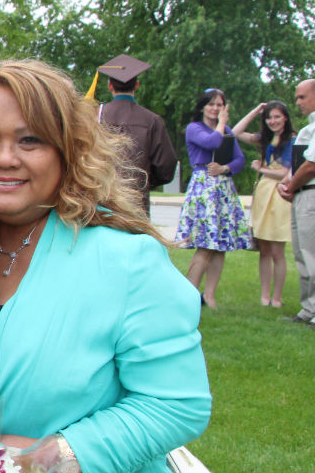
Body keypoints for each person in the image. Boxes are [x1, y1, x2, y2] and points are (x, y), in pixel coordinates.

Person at [0, 59, 211, 473]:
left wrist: (52, 455)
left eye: (31, 140)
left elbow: (176, 405)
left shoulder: (125, 261)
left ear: (68, 149)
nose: (5, 159)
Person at [174, 88, 253, 308]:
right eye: (211, 104)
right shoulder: (194, 128)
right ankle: (189, 295)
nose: (215, 108)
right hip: (204, 188)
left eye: (220, 105)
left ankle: (210, 296)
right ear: (202, 107)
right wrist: (222, 124)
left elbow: (239, 159)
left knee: (220, 246)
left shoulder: (226, 130)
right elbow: (212, 143)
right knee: (205, 245)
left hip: (223, 188)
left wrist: (225, 168)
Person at [91, 54, 177, 213]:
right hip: (137, 204)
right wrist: (142, 181)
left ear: (110, 86)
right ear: (137, 86)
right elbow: (166, 169)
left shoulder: (95, 116)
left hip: (101, 201)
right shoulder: (152, 120)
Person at [232, 100, 296, 307]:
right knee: (264, 250)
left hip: (279, 193)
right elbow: (235, 132)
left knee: (277, 251)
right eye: (269, 117)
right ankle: (265, 295)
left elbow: (283, 172)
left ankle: (277, 298)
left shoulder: (292, 140)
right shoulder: (265, 139)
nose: (273, 121)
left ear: (285, 117)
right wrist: (255, 111)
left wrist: (260, 169)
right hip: (263, 193)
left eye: (277, 116)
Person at [278, 78, 315, 325]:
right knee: (302, 253)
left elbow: (311, 166)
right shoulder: (307, 130)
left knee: (312, 253)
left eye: (302, 97)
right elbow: (297, 163)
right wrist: (286, 184)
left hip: (311, 192)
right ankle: (308, 308)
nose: (298, 102)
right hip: (301, 194)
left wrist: (291, 186)